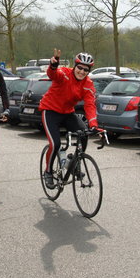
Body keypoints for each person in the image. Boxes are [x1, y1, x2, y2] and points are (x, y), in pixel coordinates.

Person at [39, 49, 102, 189]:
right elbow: (52, 74)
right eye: (79, 67)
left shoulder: (88, 85)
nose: (82, 71)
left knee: (84, 134)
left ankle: (73, 163)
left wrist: (93, 124)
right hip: (50, 111)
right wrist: (53, 65)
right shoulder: (64, 74)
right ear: (75, 66)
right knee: (55, 144)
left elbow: (90, 105)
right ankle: (48, 172)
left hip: (67, 113)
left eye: (86, 69)